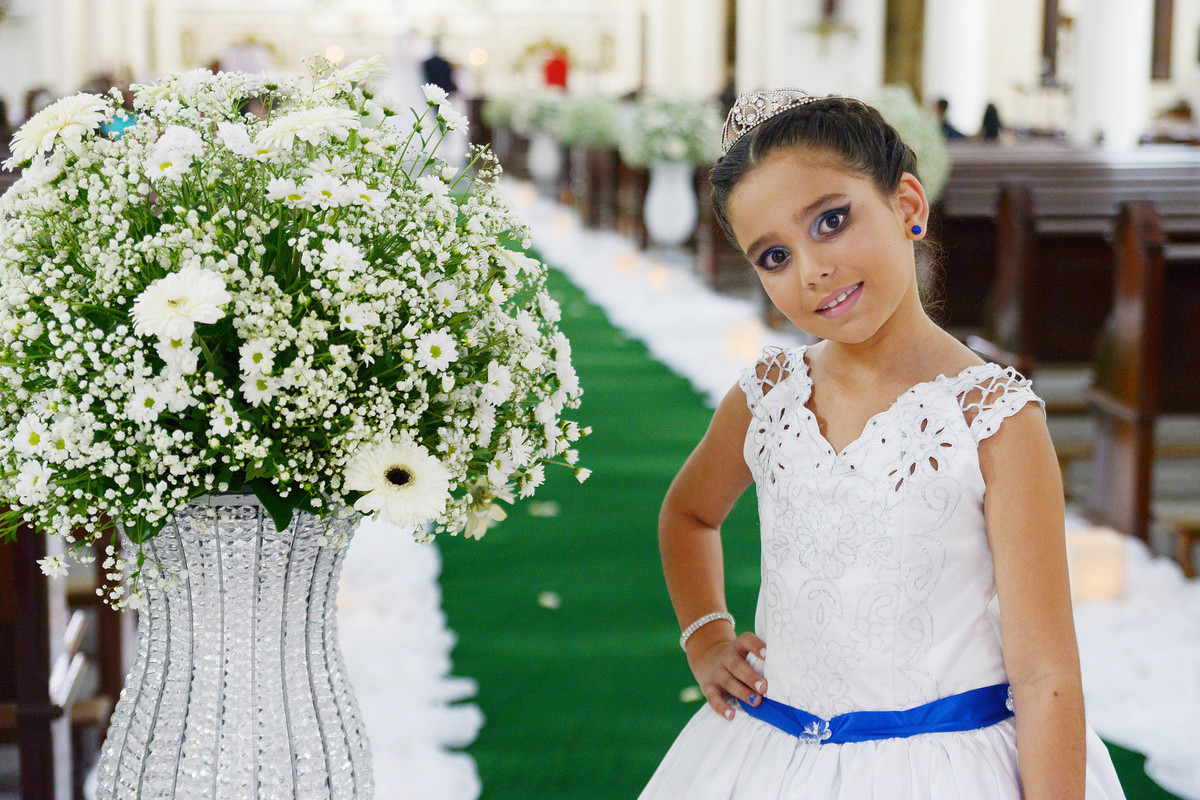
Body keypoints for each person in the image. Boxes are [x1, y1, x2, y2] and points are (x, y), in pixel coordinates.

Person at [639, 89, 1127, 799]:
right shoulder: (768, 397)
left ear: (907, 204)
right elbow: (688, 514)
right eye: (774, 256)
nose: (811, 270)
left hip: (941, 770)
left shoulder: (992, 419)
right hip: (773, 756)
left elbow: (1046, 673)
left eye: (831, 221)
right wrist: (707, 637)